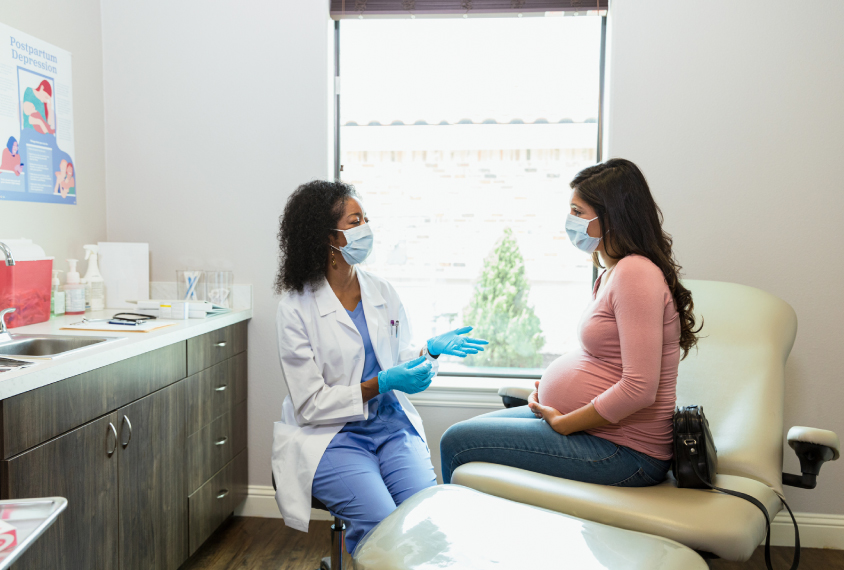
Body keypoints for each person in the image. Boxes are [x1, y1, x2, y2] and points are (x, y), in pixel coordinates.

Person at [440, 158, 701, 488]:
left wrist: (566, 422)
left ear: (611, 218)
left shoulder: (636, 274)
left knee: (457, 442)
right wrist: (552, 393)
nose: (570, 221)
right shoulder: (611, 272)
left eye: (578, 212)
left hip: (628, 452)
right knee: (460, 435)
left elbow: (639, 389)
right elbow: (605, 360)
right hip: (600, 433)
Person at [271, 180, 488, 553]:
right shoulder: (296, 307)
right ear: (329, 237)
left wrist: (430, 353)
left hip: (391, 428)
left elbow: (401, 360)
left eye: (366, 218)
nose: (366, 229)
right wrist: (381, 382)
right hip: (332, 436)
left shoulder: (382, 291)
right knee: (382, 527)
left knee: (424, 520)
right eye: (355, 221)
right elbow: (310, 404)